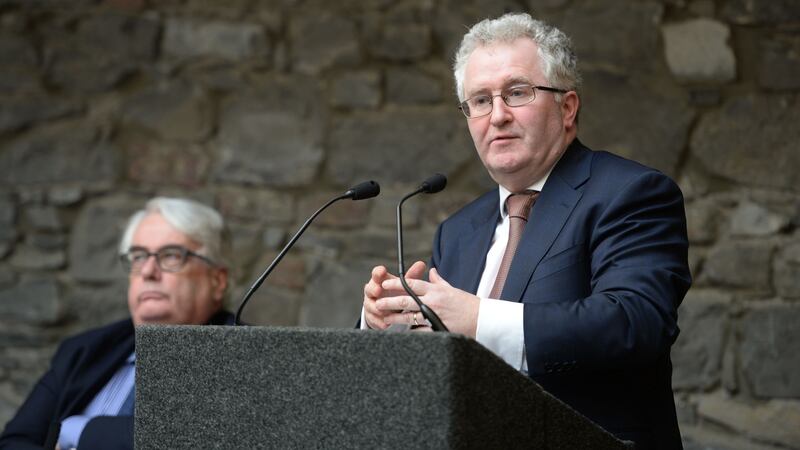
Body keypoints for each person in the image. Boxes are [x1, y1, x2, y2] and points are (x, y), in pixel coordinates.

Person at [362, 13, 691, 449]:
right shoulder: (458, 231)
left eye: (517, 93)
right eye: (479, 100)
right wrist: (386, 325)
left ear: (567, 107)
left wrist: (478, 320)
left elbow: (635, 323)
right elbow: (440, 363)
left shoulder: (631, 193)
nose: (496, 115)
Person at [0, 197, 232, 450]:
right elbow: (15, 442)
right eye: (139, 256)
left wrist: (77, 430)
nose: (148, 271)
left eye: (172, 255)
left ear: (216, 280)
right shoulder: (83, 351)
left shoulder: (250, 356)